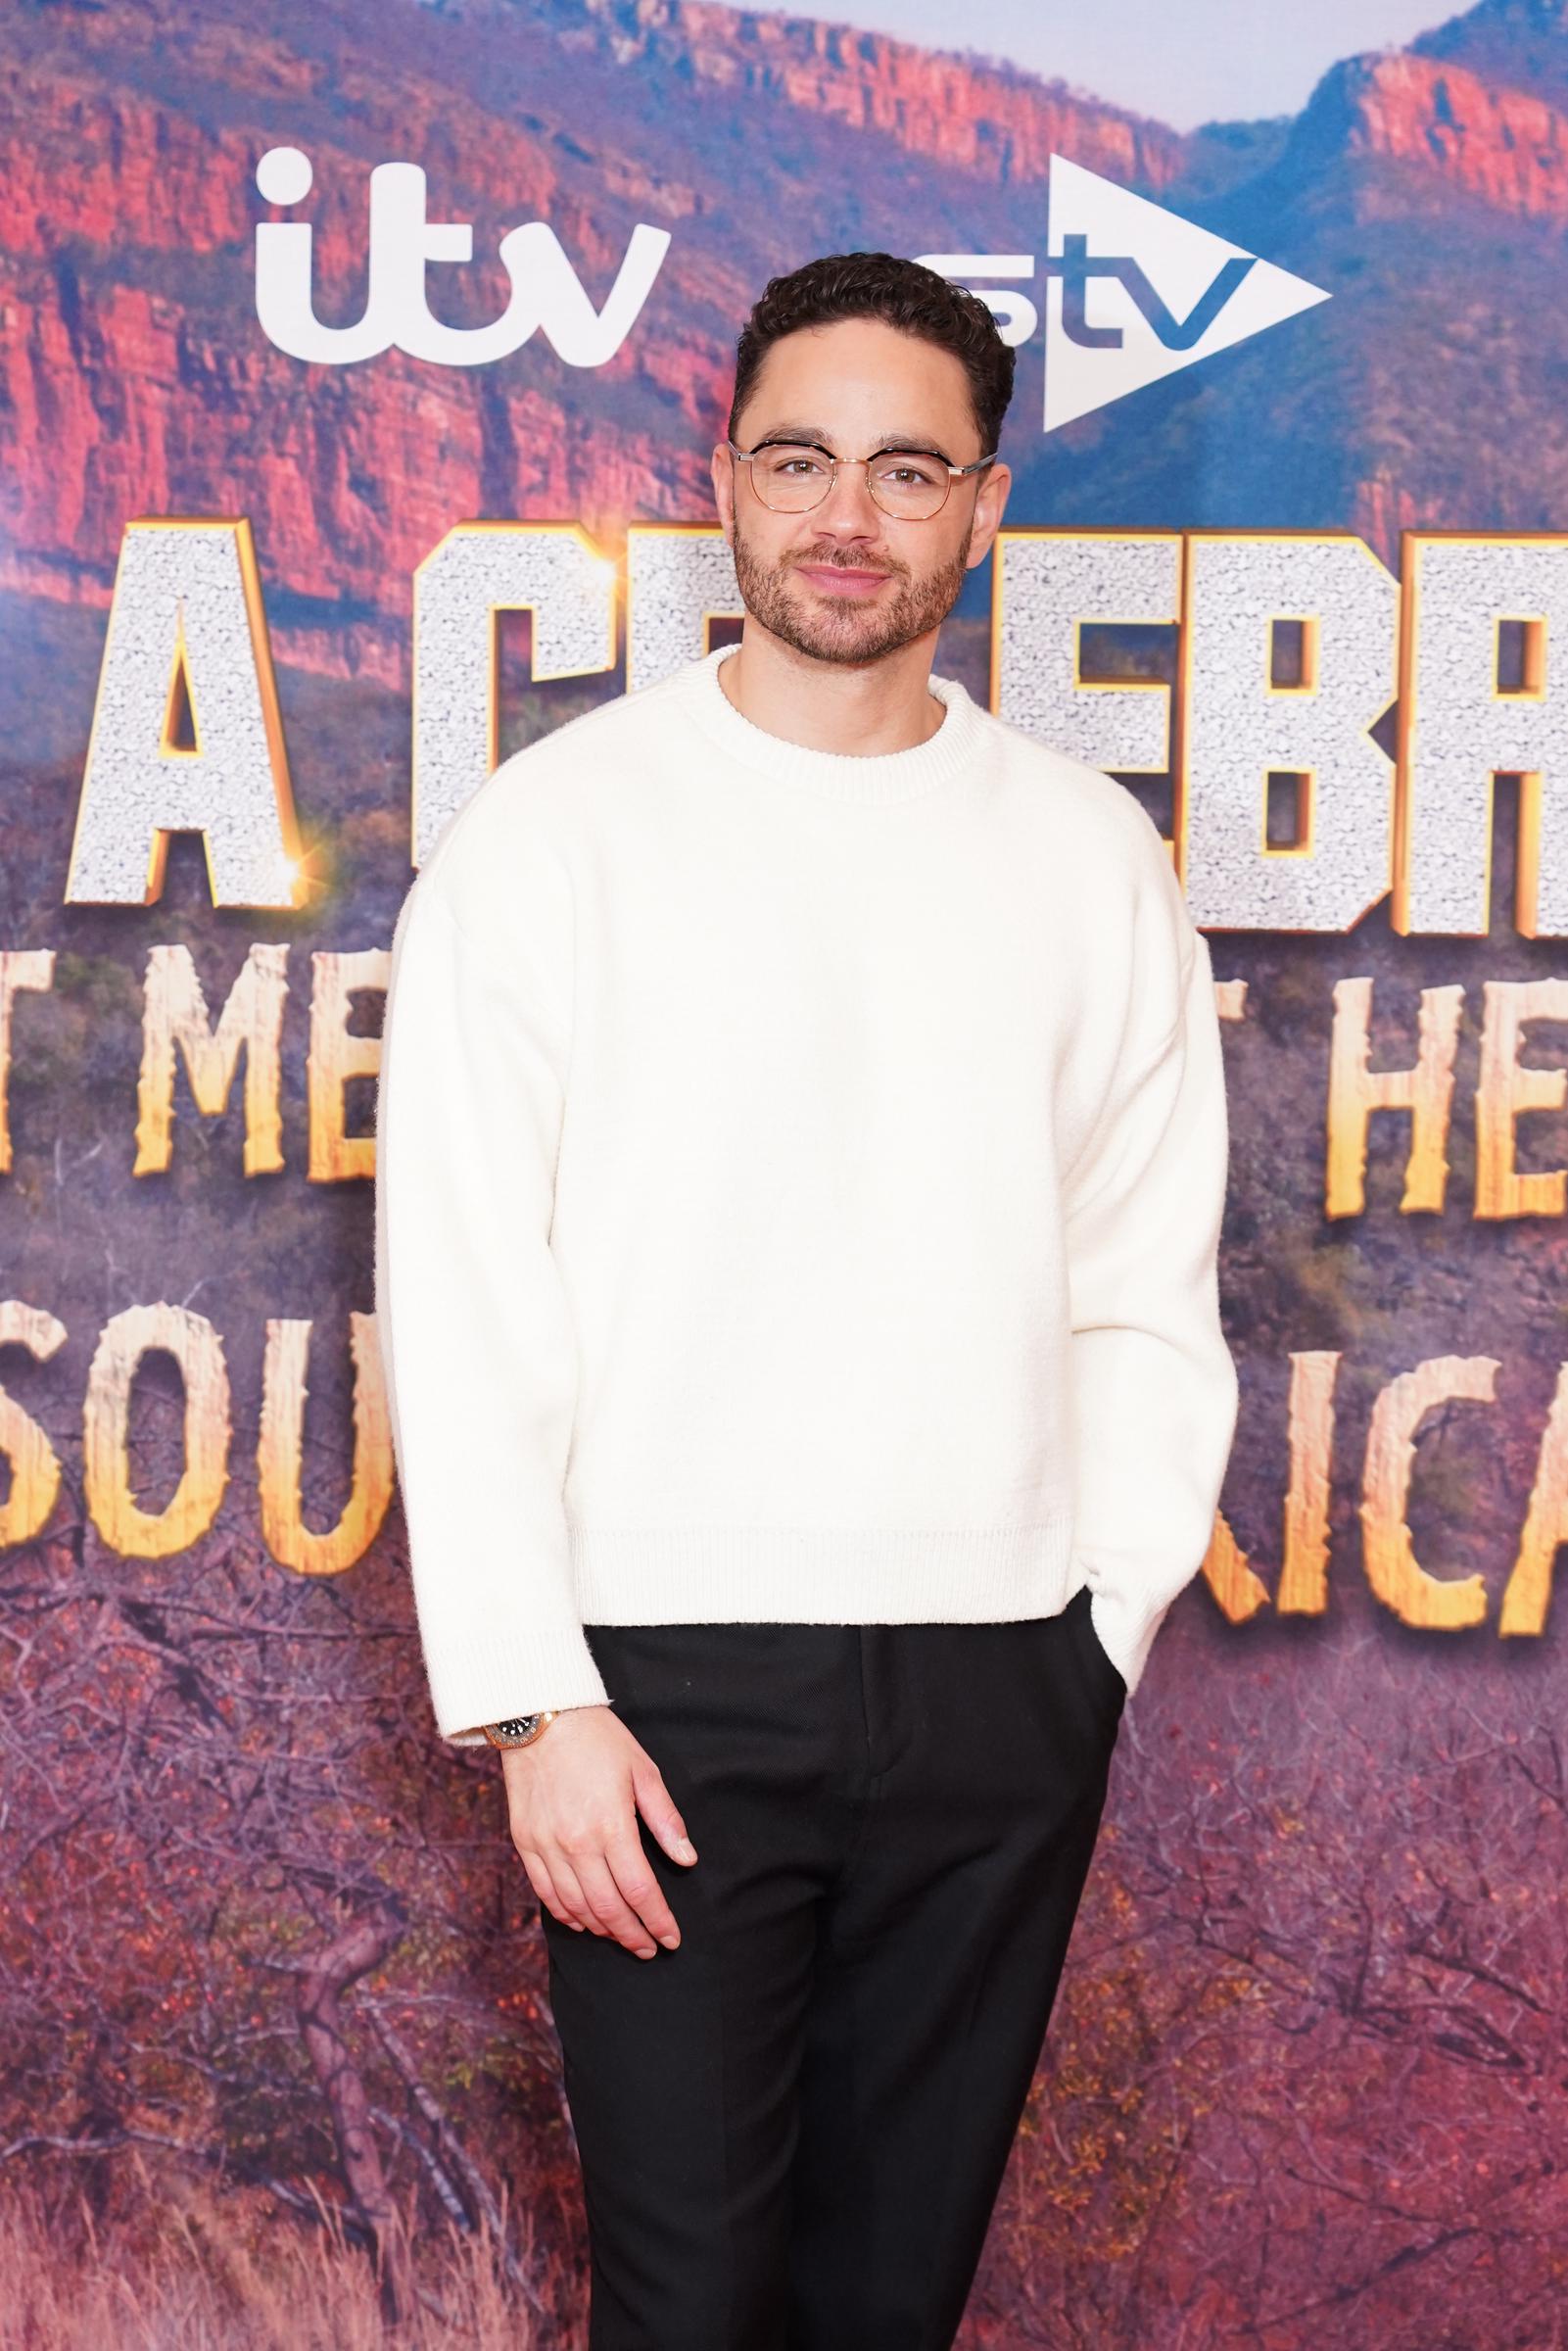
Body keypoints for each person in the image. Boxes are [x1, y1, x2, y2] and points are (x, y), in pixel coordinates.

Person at [373, 250, 1240, 2350]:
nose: (847, 513)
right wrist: (533, 1697)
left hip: (997, 1685)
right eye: (799, 459)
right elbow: (464, 1288)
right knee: (690, 2309)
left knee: (887, 2305)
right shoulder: (557, 835)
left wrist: (1094, 1630)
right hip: (655, 1696)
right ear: (725, 484)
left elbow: (1145, 1268)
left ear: (984, 508)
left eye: (906, 468)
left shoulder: (1084, 853)